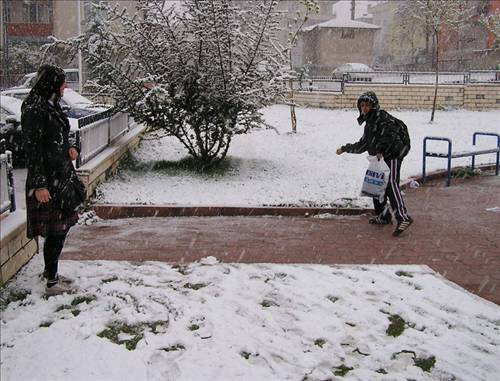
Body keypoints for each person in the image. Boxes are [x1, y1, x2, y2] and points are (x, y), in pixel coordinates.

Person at [22, 64, 81, 295]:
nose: (66, 86)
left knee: (62, 228)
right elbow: (33, 149)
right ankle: (51, 282)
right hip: (48, 181)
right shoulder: (34, 108)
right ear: (52, 83)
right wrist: (39, 185)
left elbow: (58, 136)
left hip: (61, 176)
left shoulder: (51, 104)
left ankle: (51, 274)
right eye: (63, 82)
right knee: (56, 231)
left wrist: (70, 148)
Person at [336, 91, 413, 236]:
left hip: (394, 155)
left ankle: (403, 217)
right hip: (380, 158)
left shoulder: (383, 117)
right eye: (362, 105)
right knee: (376, 184)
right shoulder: (369, 123)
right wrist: (345, 149)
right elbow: (363, 144)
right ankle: (384, 216)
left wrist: (381, 149)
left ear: (374, 105)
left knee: (391, 184)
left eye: (368, 105)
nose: (364, 108)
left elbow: (390, 135)